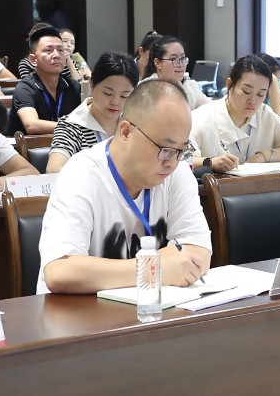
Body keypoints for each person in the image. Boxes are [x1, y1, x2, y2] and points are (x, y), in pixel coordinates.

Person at [38, 79, 212, 294]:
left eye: (181, 151)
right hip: (78, 311)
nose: (172, 162)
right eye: (165, 149)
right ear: (126, 132)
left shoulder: (177, 172)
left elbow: (198, 254)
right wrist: (154, 268)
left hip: (151, 306)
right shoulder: (82, 174)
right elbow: (59, 272)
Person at [192, 55, 280, 174]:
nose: (253, 101)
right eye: (246, 91)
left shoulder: (264, 114)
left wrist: (264, 156)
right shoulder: (202, 117)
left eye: (261, 94)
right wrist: (210, 162)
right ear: (229, 85)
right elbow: (183, 159)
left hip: (258, 185)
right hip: (217, 186)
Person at [48, 51, 138, 173]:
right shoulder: (72, 125)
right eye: (108, 93)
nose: (115, 102)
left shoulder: (135, 123)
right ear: (92, 85)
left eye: (124, 96)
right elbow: (53, 170)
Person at [11, 26, 82, 135]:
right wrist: (74, 127)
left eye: (60, 50)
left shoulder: (73, 86)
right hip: (32, 145)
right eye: (48, 50)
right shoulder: (25, 88)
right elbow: (31, 125)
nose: (56, 55)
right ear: (33, 59)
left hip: (68, 144)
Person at [137, 34, 210, 110]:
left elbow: (210, 108)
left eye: (183, 58)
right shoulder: (143, 90)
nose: (180, 64)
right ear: (158, 63)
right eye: (174, 59)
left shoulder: (189, 87)